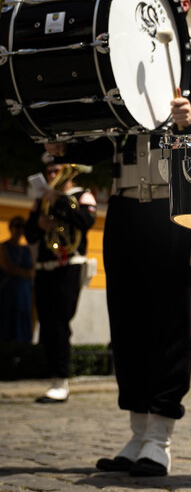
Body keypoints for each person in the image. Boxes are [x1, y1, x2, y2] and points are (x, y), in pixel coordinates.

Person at [58, 0, 191, 475]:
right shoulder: (123, 60)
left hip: (172, 207)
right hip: (124, 206)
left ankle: (160, 435)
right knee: (128, 318)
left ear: (179, 6)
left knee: (165, 319)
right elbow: (103, 139)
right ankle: (136, 433)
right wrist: (66, 139)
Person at [24, 162, 96, 402]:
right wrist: (39, 224)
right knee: (47, 323)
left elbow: (86, 222)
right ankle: (53, 378)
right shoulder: (41, 200)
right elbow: (30, 235)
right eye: (50, 172)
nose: (52, 175)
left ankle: (61, 381)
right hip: (45, 267)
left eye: (57, 171)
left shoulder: (81, 195)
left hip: (69, 266)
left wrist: (59, 201)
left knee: (59, 322)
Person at [0, 216, 34, 343]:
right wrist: (25, 273)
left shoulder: (26, 249)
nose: (20, 230)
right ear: (11, 228)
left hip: (24, 294)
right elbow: (8, 267)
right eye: (17, 226)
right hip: (8, 293)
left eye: (22, 227)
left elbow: (32, 271)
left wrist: (25, 274)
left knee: (23, 324)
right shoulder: (3, 247)